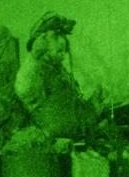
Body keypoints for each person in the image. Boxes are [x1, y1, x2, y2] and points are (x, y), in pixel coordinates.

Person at [13, 13, 97, 141]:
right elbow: (24, 89)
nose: (62, 42)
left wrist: (95, 102)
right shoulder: (37, 70)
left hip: (76, 142)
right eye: (56, 36)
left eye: (63, 36)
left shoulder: (60, 72)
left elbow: (77, 113)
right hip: (52, 146)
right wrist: (34, 56)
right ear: (41, 42)